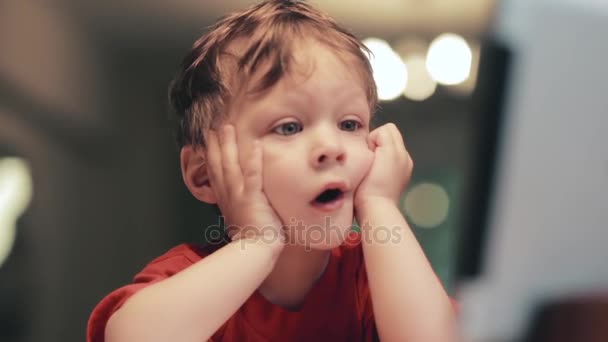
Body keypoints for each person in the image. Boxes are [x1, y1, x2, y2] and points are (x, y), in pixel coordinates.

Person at [87, 1, 457, 341]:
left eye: (349, 124)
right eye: (289, 127)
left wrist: (380, 204)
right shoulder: (186, 278)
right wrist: (258, 242)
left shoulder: (373, 271)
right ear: (205, 174)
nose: (331, 147)